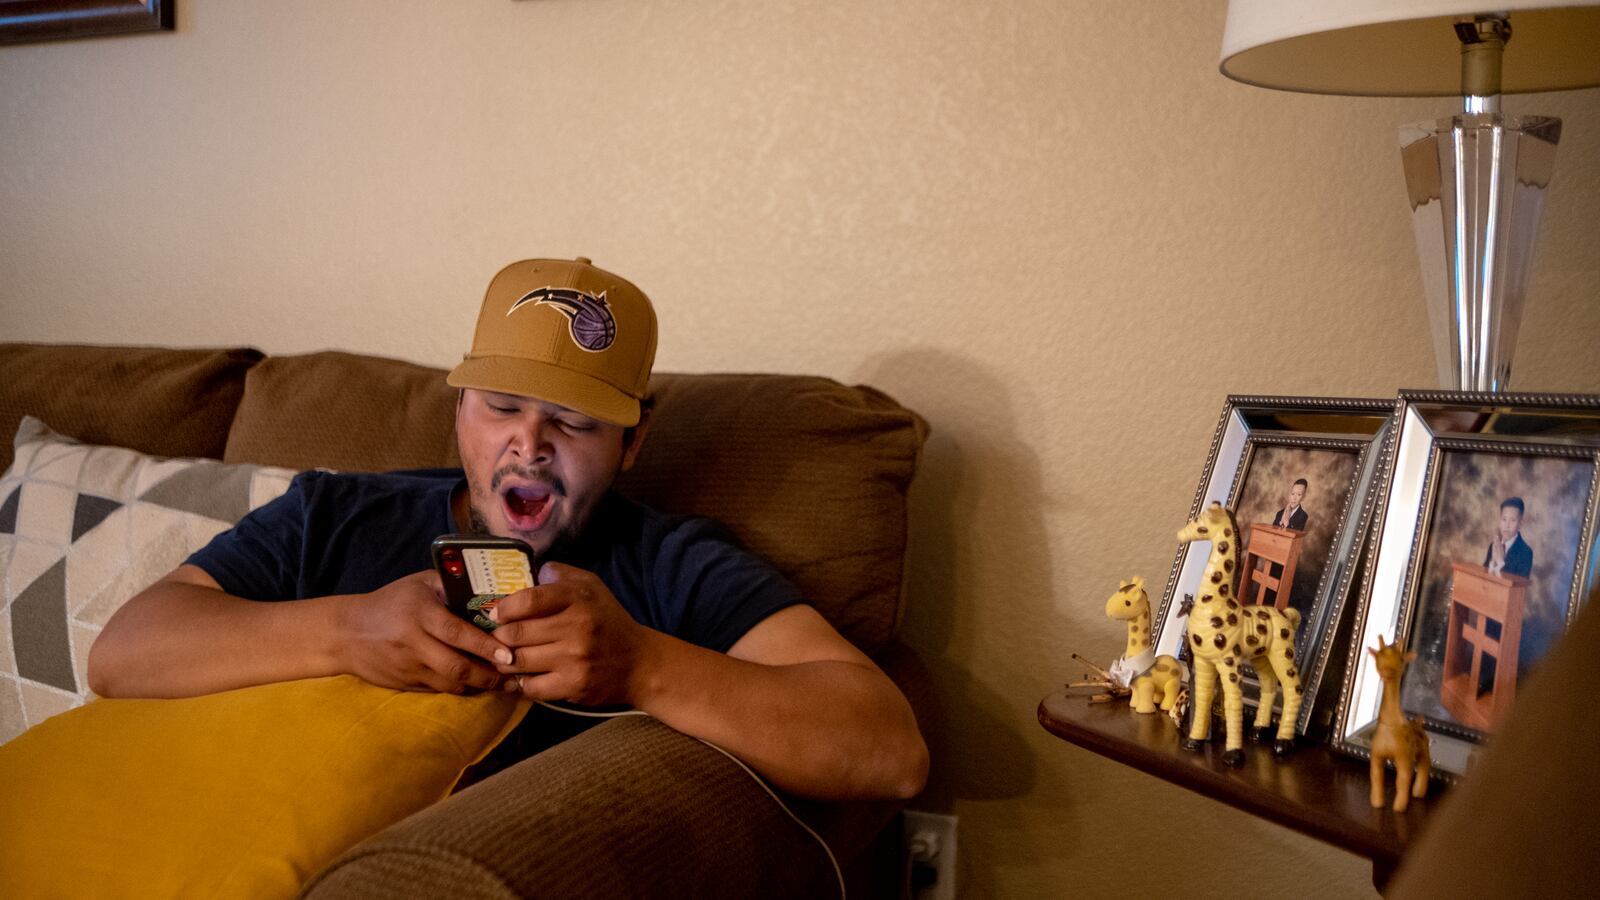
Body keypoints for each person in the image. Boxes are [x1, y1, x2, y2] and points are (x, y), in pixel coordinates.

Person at [88, 257, 928, 803]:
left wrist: (643, 666)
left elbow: (890, 749)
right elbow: (124, 652)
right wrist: (347, 630)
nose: (529, 444)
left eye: (574, 421)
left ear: (633, 443)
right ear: (459, 410)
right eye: (500, 408)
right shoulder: (334, 513)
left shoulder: (673, 563)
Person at [1483, 496, 1533, 579]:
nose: (1507, 525)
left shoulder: (1526, 553)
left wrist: (1501, 562)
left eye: (1513, 520)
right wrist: (1492, 564)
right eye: (1504, 519)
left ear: (1520, 523)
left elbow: (1518, 584)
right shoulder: (1493, 546)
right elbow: (1483, 575)